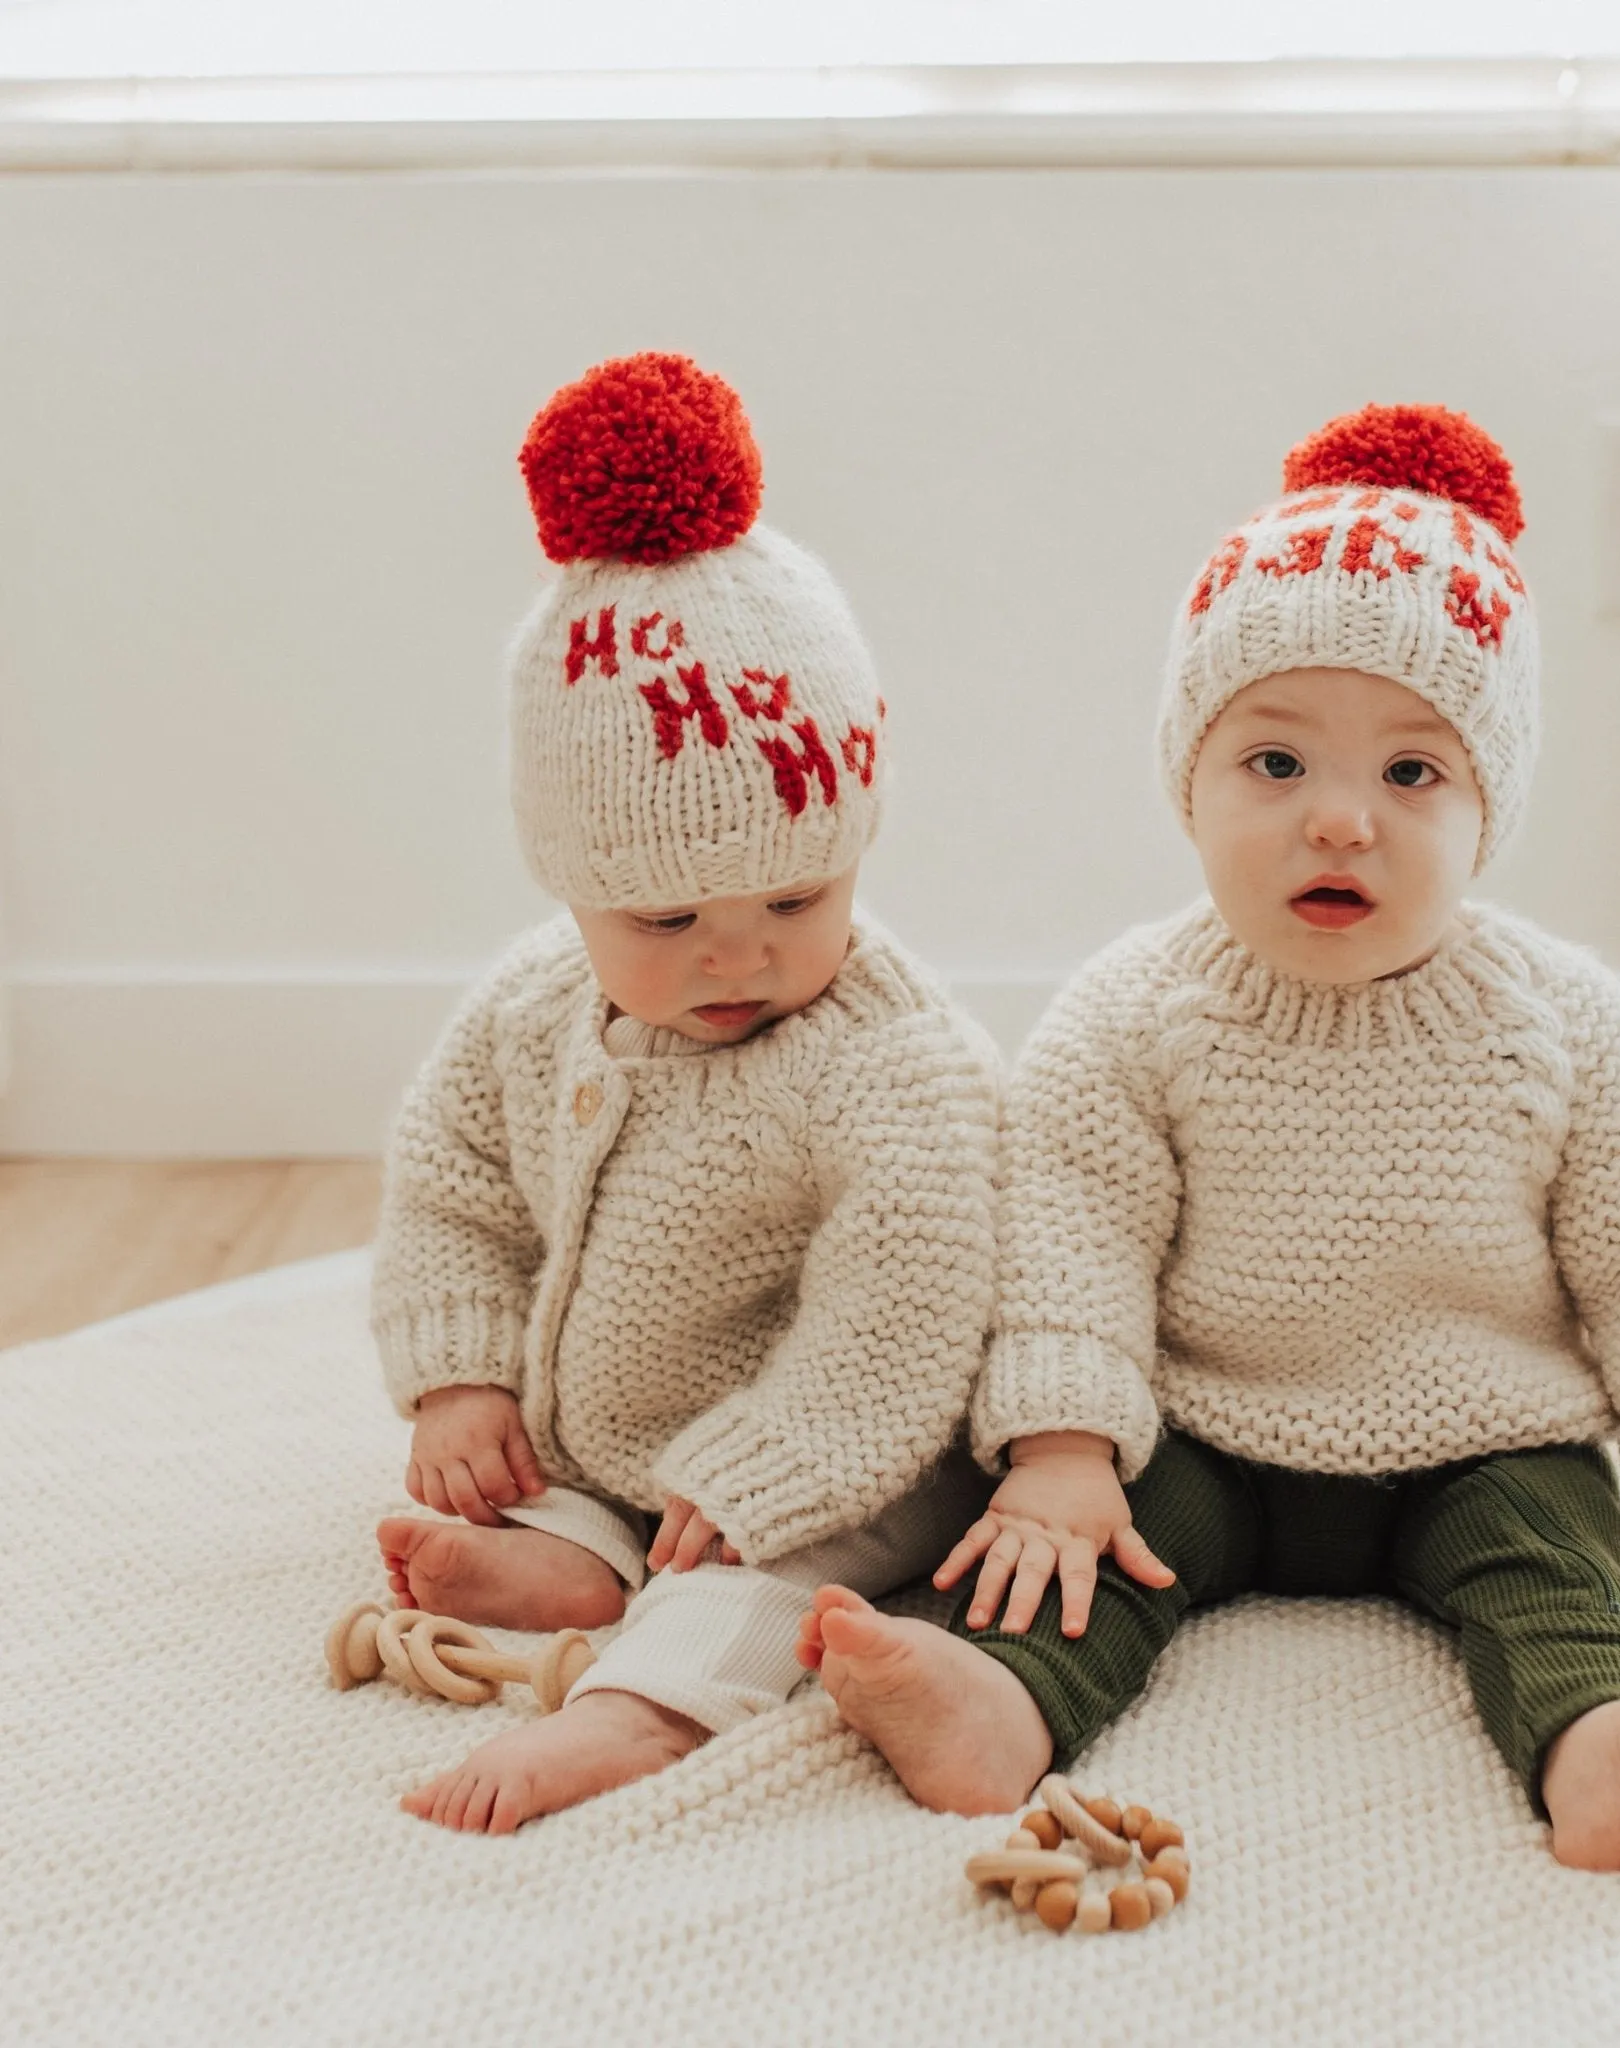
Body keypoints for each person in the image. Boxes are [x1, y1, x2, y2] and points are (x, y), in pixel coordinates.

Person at [800, 403, 1620, 1871]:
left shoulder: (1561, 1020)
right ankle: (999, 1705)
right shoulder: (1138, 1012)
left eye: (1412, 774)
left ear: (1486, 809)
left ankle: (1606, 1747)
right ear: (1191, 779)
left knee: (1557, 1569)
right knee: (1085, 1557)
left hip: (1487, 1438)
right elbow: (1065, 1224)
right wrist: (1066, 1444)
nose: (1340, 821)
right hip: (1208, 1427)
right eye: (1276, 764)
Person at [370, 352, 998, 1834]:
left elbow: (908, 1293)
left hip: (865, 1449)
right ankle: (578, 1550)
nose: (740, 954)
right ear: (572, 885)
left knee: (748, 1576)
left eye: (796, 896)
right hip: (628, 1434)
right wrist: (462, 1373)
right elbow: (450, 1179)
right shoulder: (532, 1008)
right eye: (663, 922)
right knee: (546, 1482)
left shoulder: (886, 1058)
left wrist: (781, 1460)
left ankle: (639, 1711)